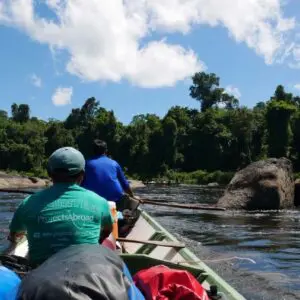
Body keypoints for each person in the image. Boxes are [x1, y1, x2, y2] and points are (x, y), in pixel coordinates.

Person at [6, 147, 114, 267]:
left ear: (49, 173)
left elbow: (14, 235)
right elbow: (108, 230)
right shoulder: (100, 202)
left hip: (40, 273)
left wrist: (15, 238)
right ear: (82, 174)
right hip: (86, 270)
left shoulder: (28, 203)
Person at [81, 140, 142, 212]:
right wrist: (132, 196)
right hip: (115, 201)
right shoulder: (114, 163)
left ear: (93, 151)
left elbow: (80, 183)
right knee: (125, 198)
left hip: (92, 202)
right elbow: (125, 184)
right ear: (106, 151)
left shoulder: (86, 164)